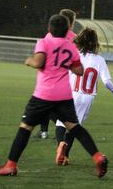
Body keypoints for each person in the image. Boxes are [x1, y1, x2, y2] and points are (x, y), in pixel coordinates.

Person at [0, 15, 108, 178]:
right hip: (64, 95)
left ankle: (11, 165)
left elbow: (38, 62)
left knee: (25, 128)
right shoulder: (70, 47)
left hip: (44, 94)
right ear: (67, 30)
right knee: (75, 127)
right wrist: (65, 63)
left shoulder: (44, 42)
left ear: (49, 29)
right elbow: (79, 71)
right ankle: (97, 156)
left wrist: (28, 60)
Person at [54, 28, 113, 166]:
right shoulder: (100, 60)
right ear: (94, 43)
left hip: (71, 94)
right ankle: (65, 156)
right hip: (87, 98)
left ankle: (61, 144)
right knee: (74, 127)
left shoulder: (74, 55)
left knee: (61, 123)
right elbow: (107, 81)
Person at [37, 9, 78, 139]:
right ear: (70, 22)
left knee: (45, 104)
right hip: (68, 78)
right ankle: (63, 127)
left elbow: (43, 55)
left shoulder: (50, 35)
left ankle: (45, 131)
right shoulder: (75, 38)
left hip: (48, 77)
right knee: (58, 107)